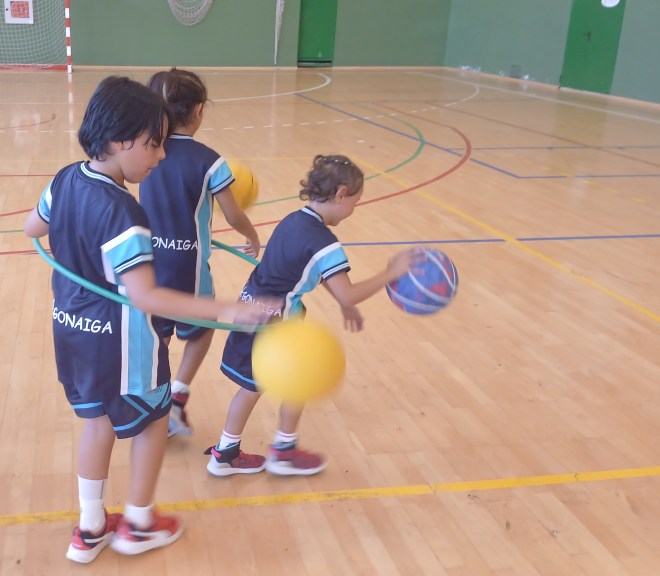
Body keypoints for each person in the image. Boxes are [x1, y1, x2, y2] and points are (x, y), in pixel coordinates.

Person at [23, 76, 271, 563]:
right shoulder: (125, 214)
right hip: (123, 345)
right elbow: (148, 298)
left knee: (97, 424)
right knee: (154, 422)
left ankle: (90, 527)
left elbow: (33, 228)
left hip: (72, 333)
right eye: (154, 143)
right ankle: (139, 523)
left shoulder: (65, 178)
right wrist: (230, 309)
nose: (160, 155)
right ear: (121, 141)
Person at [206, 154, 420, 477]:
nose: (354, 209)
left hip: (253, 307)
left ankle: (276, 449)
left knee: (286, 381)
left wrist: (343, 304)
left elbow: (307, 272)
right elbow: (347, 291)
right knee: (256, 387)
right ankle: (229, 453)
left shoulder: (293, 220)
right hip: (271, 322)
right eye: (355, 202)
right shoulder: (324, 243)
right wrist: (390, 273)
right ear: (341, 194)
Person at [139, 67, 261, 438]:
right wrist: (252, 235)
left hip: (146, 261)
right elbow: (233, 214)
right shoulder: (210, 161)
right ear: (198, 110)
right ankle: (176, 397)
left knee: (158, 334)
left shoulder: (146, 151)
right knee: (203, 328)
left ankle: (151, 402)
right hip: (187, 264)